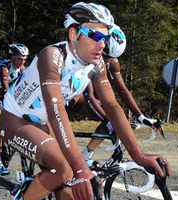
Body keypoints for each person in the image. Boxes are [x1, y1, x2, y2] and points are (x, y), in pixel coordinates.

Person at [0, 2, 171, 200]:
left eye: (106, 36)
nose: (102, 43)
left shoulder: (96, 64)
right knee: (65, 169)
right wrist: (79, 167)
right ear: (74, 33)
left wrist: (139, 155)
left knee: (69, 195)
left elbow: (112, 106)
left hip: (43, 120)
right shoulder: (53, 56)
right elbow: (57, 108)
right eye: (96, 35)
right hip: (15, 118)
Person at [67, 24, 163, 163]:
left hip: (89, 99)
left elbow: (123, 90)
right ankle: (84, 159)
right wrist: (110, 120)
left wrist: (141, 117)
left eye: (112, 57)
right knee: (111, 120)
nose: (107, 60)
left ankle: (87, 154)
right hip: (73, 99)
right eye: (106, 56)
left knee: (114, 117)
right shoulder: (88, 59)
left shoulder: (112, 62)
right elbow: (90, 97)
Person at [0, 43, 29, 175]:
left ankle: (6, 147)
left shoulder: (21, 68)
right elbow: (6, 88)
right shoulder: (4, 67)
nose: (22, 61)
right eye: (20, 58)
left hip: (3, 93)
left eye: (25, 58)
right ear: (13, 57)